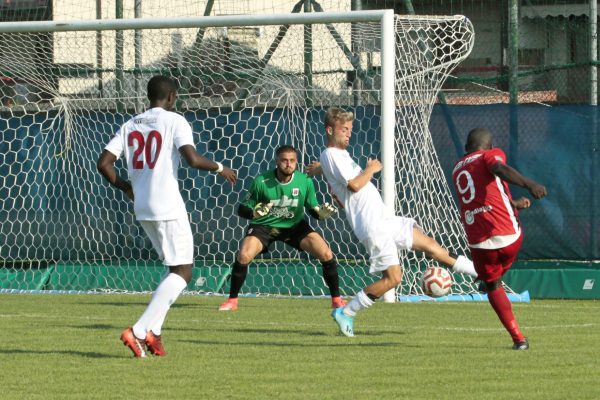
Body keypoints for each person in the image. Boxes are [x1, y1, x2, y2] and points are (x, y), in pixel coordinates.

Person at [97, 75, 236, 358]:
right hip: (167, 205)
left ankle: (154, 332)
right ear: (171, 97)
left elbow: (104, 163)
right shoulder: (175, 120)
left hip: (143, 207)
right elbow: (193, 159)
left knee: (173, 268)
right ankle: (138, 330)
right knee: (184, 272)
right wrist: (221, 167)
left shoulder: (130, 124)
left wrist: (124, 186)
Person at [308, 107, 478, 337]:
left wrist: (322, 170)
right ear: (330, 130)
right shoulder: (330, 155)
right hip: (372, 226)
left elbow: (341, 181)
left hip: (385, 220)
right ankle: (347, 312)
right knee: (393, 279)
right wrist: (371, 169)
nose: (348, 134)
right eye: (344, 129)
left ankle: (481, 273)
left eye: (350, 129)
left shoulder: (335, 157)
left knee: (431, 246)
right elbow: (354, 185)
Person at [451, 127, 547, 350]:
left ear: (466, 149)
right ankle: (495, 275)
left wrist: (512, 204)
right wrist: (530, 184)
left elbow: (481, 198)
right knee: (509, 248)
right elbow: (499, 168)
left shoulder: (457, 169)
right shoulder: (489, 155)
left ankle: (518, 339)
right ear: (491, 147)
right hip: (509, 237)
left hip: (479, 243)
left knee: (492, 284)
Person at [219, 145, 346, 311]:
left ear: (297, 162)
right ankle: (232, 301)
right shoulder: (261, 181)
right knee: (243, 255)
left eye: (292, 160)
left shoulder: (305, 181)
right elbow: (242, 209)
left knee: (326, 253)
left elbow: (313, 209)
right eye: (284, 160)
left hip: (294, 226)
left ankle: (336, 301)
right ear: (276, 161)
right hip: (264, 226)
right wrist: (254, 213)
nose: (288, 164)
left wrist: (320, 214)